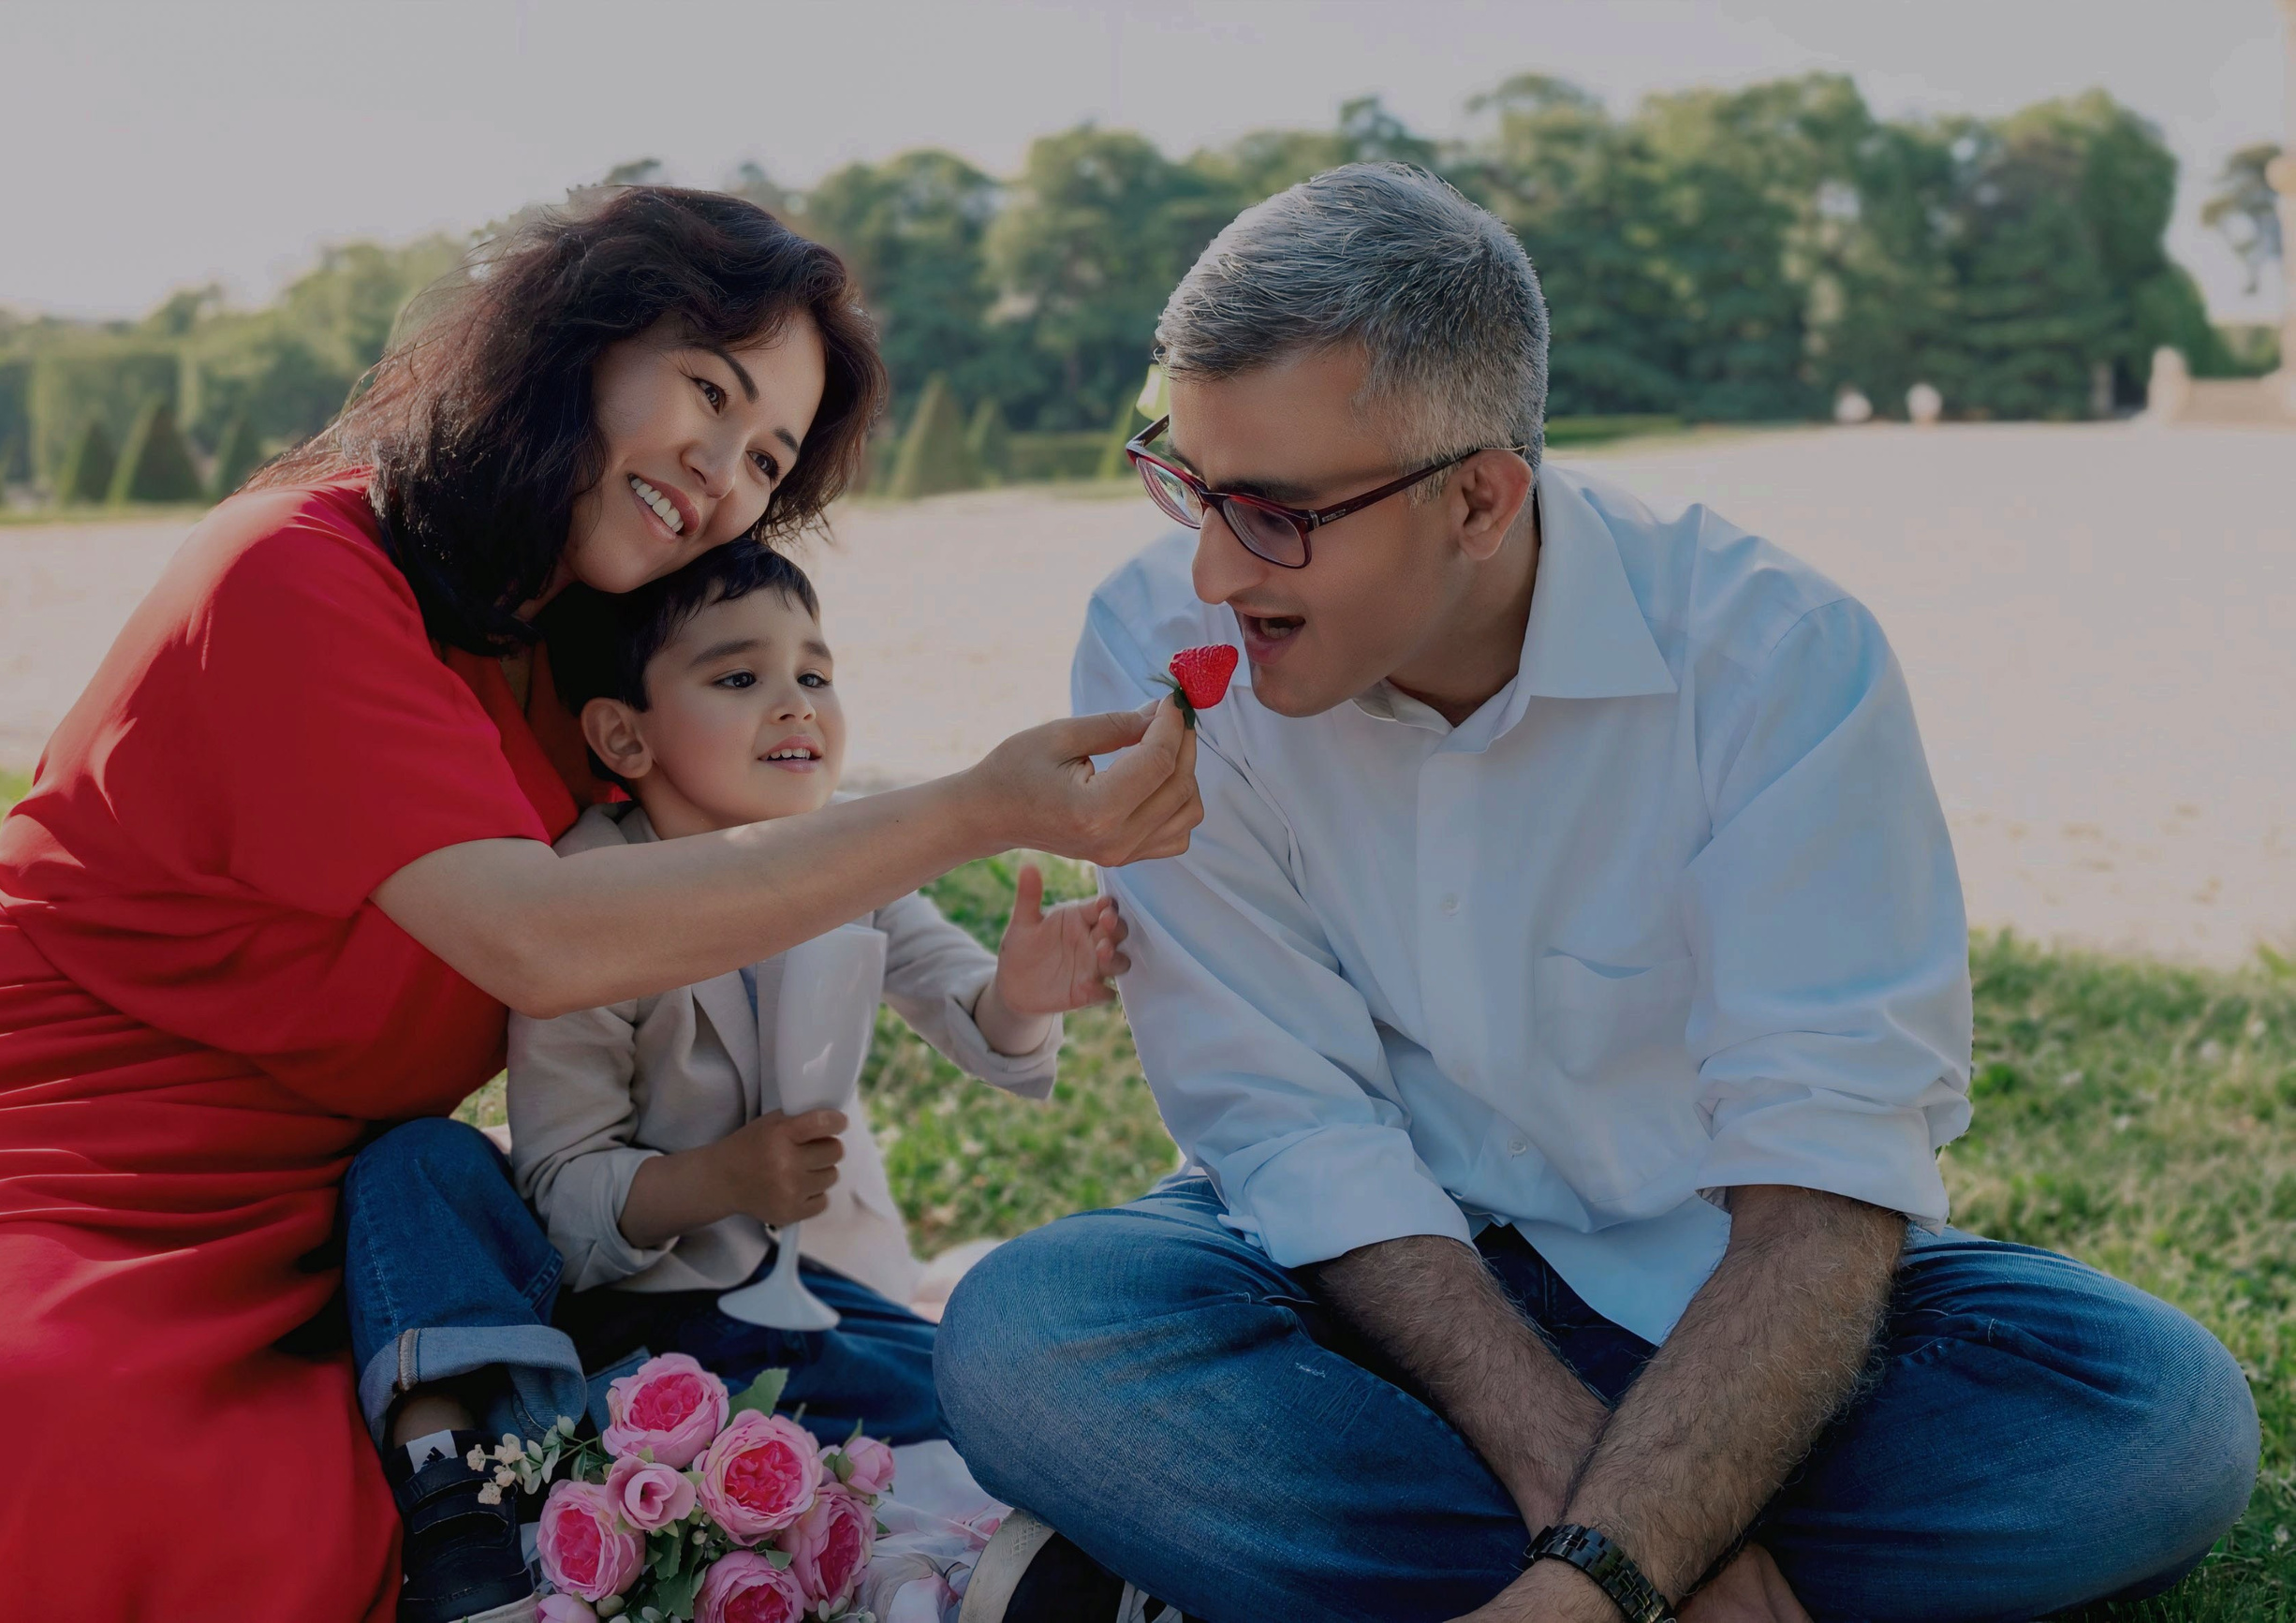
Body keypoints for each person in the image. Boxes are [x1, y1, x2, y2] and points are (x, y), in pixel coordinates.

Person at [937, 165, 2258, 1623]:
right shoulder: (1155, 637)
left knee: (2158, 1422)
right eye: (1186, 479)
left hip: (1719, 1304)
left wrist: (1605, 1568)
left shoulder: (1778, 659)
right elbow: (1290, 1123)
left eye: (1270, 511)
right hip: (1348, 1289)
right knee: (1033, 1333)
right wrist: (1621, 1543)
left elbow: (1825, 1183)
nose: (1207, 563)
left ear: (1482, 498)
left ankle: (1226, 1575)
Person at [0, 186, 1199, 1623]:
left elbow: (758, 862)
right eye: (707, 389)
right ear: (570, 342)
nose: (721, 470)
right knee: (35, 1448)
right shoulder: (292, 569)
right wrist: (974, 806)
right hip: (25, 1118)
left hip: (310, 1201)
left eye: (768, 456)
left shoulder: (572, 653)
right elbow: (546, 934)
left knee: (544, 1452)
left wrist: (1006, 970)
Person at [340, 539, 1129, 1612]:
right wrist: (720, 1178)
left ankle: (987, 1549)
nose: (796, 703)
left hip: (783, 1321)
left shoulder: (851, 862)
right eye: (739, 677)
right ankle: (463, 1494)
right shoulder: (590, 890)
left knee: (980, 1386)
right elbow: (563, 1196)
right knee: (415, 1164)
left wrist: (1026, 990)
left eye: (814, 673)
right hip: (618, 1315)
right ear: (626, 732)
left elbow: (974, 1011)